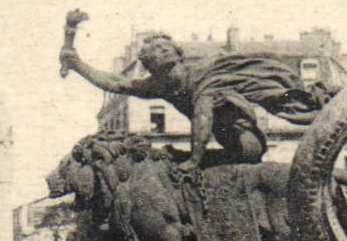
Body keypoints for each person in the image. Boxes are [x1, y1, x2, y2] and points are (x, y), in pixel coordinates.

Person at [60, 30, 326, 168]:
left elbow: (202, 117)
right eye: (154, 53)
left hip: (247, 144)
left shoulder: (200, 76)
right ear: (150, 65)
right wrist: (77, 64)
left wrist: (194, 160)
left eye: (164, 49)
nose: (161, 54)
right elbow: (116, 83)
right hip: (224, 144)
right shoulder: (160, 86)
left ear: (177, 54)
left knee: (182, 162)